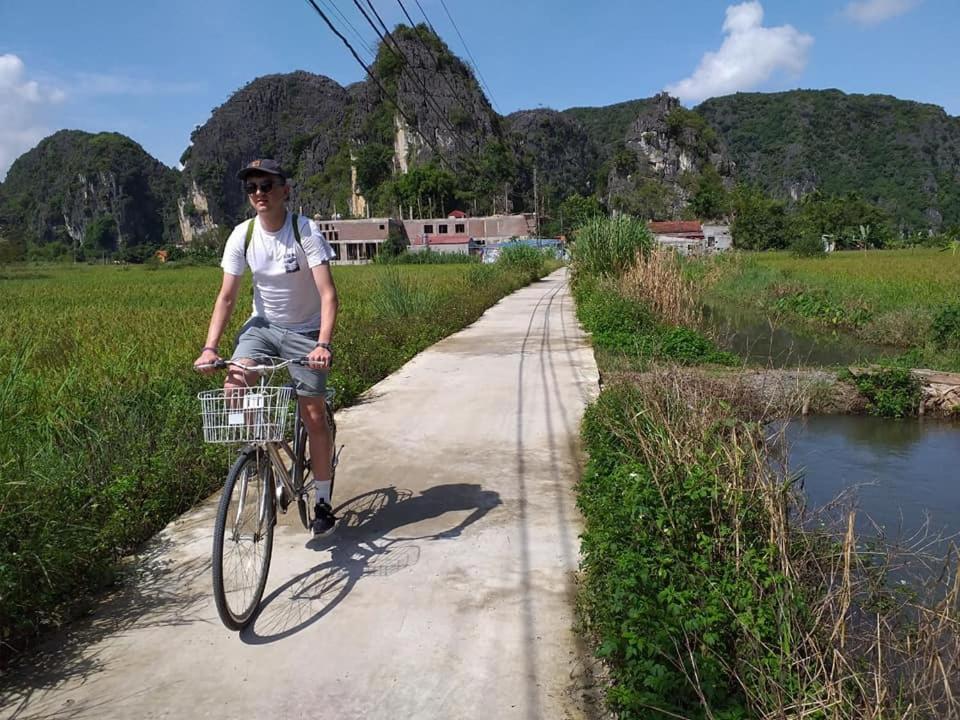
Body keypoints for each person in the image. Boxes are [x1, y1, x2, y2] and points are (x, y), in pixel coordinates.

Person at [194, 159, 340, 537]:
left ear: (284, 190)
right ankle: (268, 445)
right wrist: (210, 348)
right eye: (252, 187)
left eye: (267, 185)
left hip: (306, 331)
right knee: (233, 387)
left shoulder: (304, 230)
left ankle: (322, 499)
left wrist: (322, 343)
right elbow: (227, 297)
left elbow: (328, 294)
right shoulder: (241, 235)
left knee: (312, 415)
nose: (259, 193)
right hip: (261, 327)